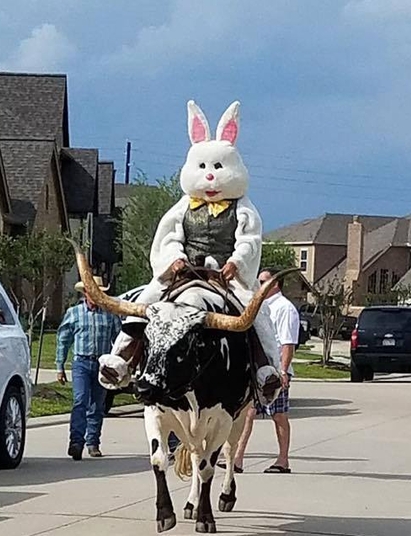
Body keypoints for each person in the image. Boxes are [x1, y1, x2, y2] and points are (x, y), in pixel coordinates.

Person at [98, 99, 281, 403]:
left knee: (255, 312)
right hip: (184, 273)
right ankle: (122, 359)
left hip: (224, 276)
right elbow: (168, 236)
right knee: (145, 303)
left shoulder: (243, 209)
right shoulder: (183, 206)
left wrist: (236, 262)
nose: (210, 176)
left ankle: (266, 370)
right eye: (203, 168)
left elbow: (249, 240)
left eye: (218, 167)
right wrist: (173, 259)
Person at [230, 267, 301, 474]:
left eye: (262, 282)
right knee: (248, 412)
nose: (258, 285)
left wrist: (284, 371)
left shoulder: (284, 308)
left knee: (278, 415)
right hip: (260, 369)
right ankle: (237, 459)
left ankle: (283, 460)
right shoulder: (261, 306)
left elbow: (287, 343)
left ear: (275, 284)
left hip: (276, 370)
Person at [56, 277, 122, 460]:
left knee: (97, 405)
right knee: (80, 400)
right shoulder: (74, 313)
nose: (94, 295)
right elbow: (63, 339)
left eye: (98, 291)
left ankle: (93, 442)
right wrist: (60, 366)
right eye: (91, 291)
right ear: (85, 293)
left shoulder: (110, 314)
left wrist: (119, 363)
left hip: (102, 365)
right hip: (81, 363)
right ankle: (76, 442)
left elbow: (119, 340)